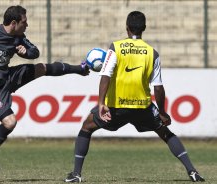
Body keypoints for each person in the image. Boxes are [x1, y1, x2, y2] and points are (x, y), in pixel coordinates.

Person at [0, 5, 89, 173]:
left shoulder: (19, 37)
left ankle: (79, 69)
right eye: (24, 22)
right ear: (13, 23)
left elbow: (35, 52)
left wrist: (26, 53)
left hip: (8, 77)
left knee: (41, 68)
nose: (26, 25)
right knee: (10, 122)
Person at [64, 11, 204, 183]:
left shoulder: (115, 47)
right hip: (142, 107)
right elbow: (158, 88)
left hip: (116, 107)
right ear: (144, 28)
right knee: (166, 133)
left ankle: (76, 174)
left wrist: (101, 103)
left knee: (86, 127)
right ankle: (192, 172)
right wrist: (162, 112)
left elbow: (105, 76)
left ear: (127, 28)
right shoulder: (153, 53)